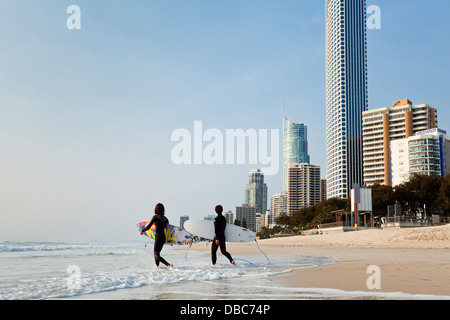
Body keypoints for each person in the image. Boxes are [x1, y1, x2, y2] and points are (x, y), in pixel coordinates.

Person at [140, 203, 173, 268]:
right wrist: (169, 240)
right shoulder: (165, 219)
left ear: (156, 210)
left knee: (156, 255)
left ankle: (168, 264)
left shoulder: (155, 217)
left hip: (158, 237)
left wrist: (142, 231)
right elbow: (168, 230)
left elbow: (149, 227)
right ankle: (157, 269)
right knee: (157, 254)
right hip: (163, 238)